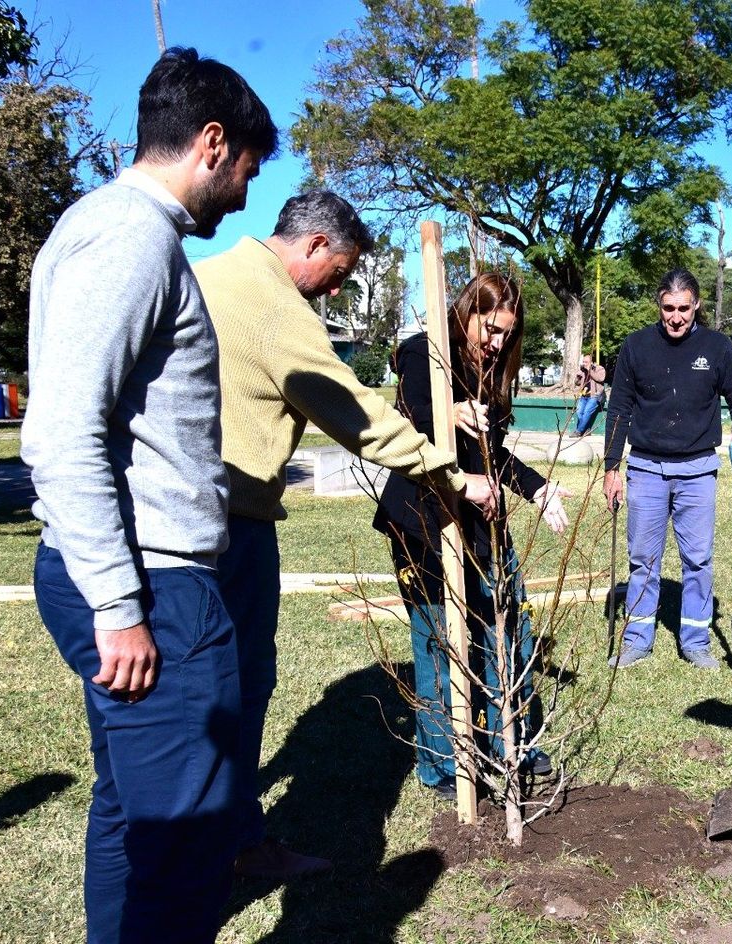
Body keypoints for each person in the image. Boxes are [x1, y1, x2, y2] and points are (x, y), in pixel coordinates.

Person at [21, 48, 277, 943]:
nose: (244, 196)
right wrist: (122, 605)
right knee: (186, 845)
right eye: (245, 170)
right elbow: (59, 432)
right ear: (212, 144)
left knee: (132, 814)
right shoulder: (132, 236)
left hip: (137, 580)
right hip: (154, 590)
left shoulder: (106, 229)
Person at [194, 190, 496, 879]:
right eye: (340, 271)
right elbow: (354, 412)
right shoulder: (273, 306)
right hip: (228, 526)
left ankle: (225, 839)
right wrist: (448, 473)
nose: (339, 286)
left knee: (206, 693)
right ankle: (229, 848)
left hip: (187, 517)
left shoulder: (205, 276)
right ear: (315, 246)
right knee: (236, 689)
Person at [373, 273, 569, 800]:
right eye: (490, 329)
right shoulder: (424, 355)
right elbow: (405, 423)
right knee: (440, 640)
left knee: (508, 631)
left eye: (507, 334)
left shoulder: (495, 369)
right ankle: (443, 765)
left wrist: (539, 489)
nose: (498, 343)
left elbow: (496, 454)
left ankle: (513, 743)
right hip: (424, 520)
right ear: (467, 313)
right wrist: (448, 413)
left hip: (484, 520)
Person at [602, 269, 732, 670]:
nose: (677, 317)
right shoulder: (636, 347)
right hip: (646, 469)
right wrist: (611, 467)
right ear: (659, 306)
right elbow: (618, 409)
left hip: (698, 470)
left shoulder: (718, 348)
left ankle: (695, 640)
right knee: (642, 559)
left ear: (697, 305)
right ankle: (636, 637)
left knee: (698, 560)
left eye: (684, 308)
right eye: (669, 308)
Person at [572, 353, 607, 436]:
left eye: (586, 362)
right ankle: (586, 429)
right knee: (579, 412)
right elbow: (577, 383)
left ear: (591, 362)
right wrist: (578, 376)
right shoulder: (583, 371)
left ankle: (578, 431)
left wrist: (590, 370)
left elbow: (601, 378)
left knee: (587, 412)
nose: (584, 363)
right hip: (584, 395)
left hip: (594, 396)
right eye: (583, 362)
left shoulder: (599, 368)